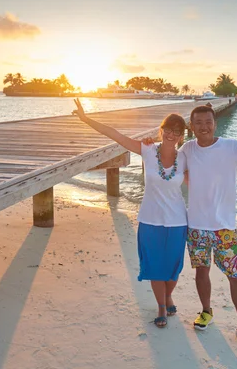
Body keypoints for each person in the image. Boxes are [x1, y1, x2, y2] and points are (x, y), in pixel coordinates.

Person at [72, 98, 188, 328]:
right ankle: (162, 307)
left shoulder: (185, 157)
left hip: (177, 221)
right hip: (150, 219)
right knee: (155, 264)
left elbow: (207, 171)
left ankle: (168, 295)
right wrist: (86, 119)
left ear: (182, 135)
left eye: (177, 131)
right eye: (168, 130)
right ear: (161, 130)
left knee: (174, 267)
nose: (171, 135)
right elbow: (116, 135)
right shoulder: (147, 149)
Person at [180, 96, 237, 349]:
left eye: (208, 122)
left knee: (236, 277)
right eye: (198, 123)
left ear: (215, 124)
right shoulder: (187, 149)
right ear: (191, 126)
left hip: (224, 228)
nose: (203, 127)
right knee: (201, 271)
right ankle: (206, 311)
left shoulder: (230, 147)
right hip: (197, 226)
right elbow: (170, 164)